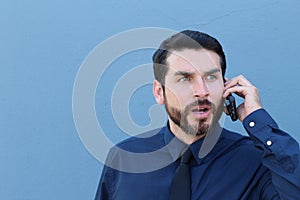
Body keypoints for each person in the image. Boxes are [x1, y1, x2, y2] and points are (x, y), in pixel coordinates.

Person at [95, 30, 300, 199]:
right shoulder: (124, 159)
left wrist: (259, 122)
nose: (201, 91)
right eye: (185, 79)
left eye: (211, 77)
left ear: (226, 87)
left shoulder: (257, 161)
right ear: (160, 92)